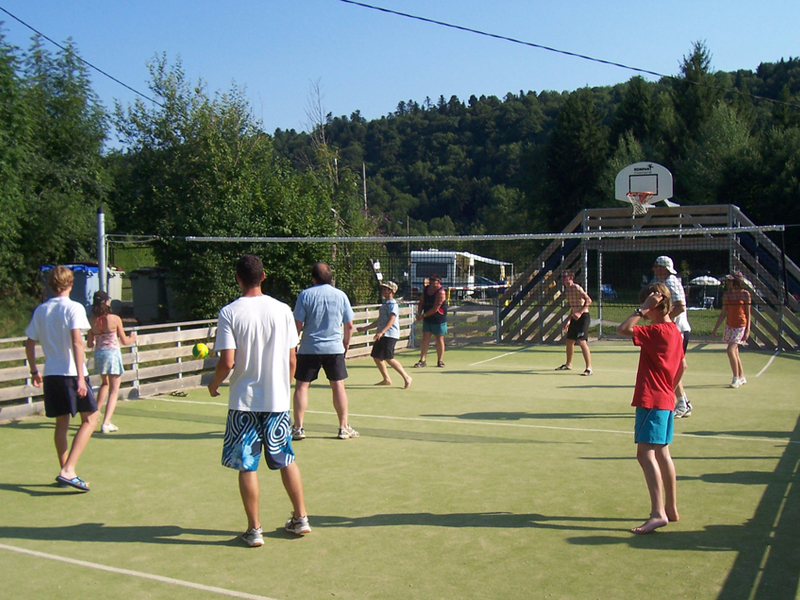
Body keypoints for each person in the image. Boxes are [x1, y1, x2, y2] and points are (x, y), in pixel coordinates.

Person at [208, 254, 310, 547]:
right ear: (263, 276)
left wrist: (214, 384)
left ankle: (254, 530)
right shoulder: (282, 310)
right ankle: (301, 518)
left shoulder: (229, 312)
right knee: (286, 458)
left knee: (247, 465)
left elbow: (228, 361)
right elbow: (292, 359)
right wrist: (283, 386)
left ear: (238, 277)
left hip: (244, 402)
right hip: (276, 400)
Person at [617, 283, 685, 534]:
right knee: (663, 454)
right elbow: (683, 366)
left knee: (645, 454)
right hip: (666, 399)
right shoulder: (674, 331)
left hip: (651, 400)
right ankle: (671, 509)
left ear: (654, 305)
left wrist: (641, 309)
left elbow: (623, 329)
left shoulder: (656, 331)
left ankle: (658, 513)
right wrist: (669, 387)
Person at [24, 266, 98, 492]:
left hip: (51, 374)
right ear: (70, 284)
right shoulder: (74, 308)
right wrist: (79, 377)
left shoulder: (41, 310)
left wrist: (34, 370)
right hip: (71, 374)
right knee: (91, 420)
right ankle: (68, 470)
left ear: (50, 284)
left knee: (61, 423)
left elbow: (29, 342)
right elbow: (77, 342)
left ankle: (65, 470)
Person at [292, 262, 358, 441]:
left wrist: (293, 344)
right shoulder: (340, 295)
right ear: (330, 278)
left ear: (313, 278)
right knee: (338, 386)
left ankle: (298, 427)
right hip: (334, 349)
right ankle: (343, 427)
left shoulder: (305, 295)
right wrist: (346, 343)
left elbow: (297, 324)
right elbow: (349, 324)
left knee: (302, 386)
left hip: (309, 348)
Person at [86, 291, 137, 433]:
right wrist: (133, 337)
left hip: (99, 354)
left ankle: (94, 415)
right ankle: (106, 422)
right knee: (114, 390)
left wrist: (95, 336)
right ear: (107, 302)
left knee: (104, 384)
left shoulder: (91, 320)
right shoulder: (115, 319)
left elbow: (90, 344)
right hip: (112, 354)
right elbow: (125, 341)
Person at [652, 256, 692, 418]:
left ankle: (682, 403)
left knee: (673, 370)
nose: (653, 269)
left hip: (677, 332)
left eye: (656, 266)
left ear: (663, 268)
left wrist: (665, 321)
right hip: (675, 332)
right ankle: (682, 402)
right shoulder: (668, 282)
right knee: (671, 369)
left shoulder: (671, 282)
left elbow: (680, 306)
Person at [356, 281, 412, 389]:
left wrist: (382, 332)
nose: (383, 291)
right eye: (383, 289)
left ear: (391, 291)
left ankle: (406, 377)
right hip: (382, 335)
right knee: (376, 356)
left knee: (388, 358)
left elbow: (392, 319)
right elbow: (380, 320)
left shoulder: (392, 304)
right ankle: (386, 379)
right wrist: (365, 328)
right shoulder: (385, 304)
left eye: (385, 289)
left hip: (390, 335)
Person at [711, 271, 751, 388]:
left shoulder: (745, 294)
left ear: (737, 282)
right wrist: (715, 328)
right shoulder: (727, 295)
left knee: (730, 350)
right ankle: (742, 376)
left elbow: (748, 313)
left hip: (741, 326)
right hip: (730, 325)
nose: (728, 282)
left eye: (731, 280)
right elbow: (723, 313)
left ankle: (736, 378)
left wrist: (748, 330)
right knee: (735, 352)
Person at [554, 270, 593, 376]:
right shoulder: (567, 291)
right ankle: (568, 364)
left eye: (564, 277)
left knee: (581, 341)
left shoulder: (576, 287)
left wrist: (580, 313)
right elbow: (573, 308)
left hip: (583, 317)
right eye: (561, 277)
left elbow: (588, 300)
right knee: (569, 341)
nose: (562, 279)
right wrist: (569, 320)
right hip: (575, 318)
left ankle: (589, 368)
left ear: (571, 277)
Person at [414, 274, 447, 368]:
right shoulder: (426, 289)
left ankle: (440, 360)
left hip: (438, 318)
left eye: (434, 280)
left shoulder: (441, 292)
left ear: (439, 281)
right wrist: (419, 313)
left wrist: (423, 316)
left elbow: (436, 308)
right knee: (425, 337)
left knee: (439, 338)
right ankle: (422, 360)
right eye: (431, 279)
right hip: (427, 317)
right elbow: (421, 302)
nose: (431, 281)